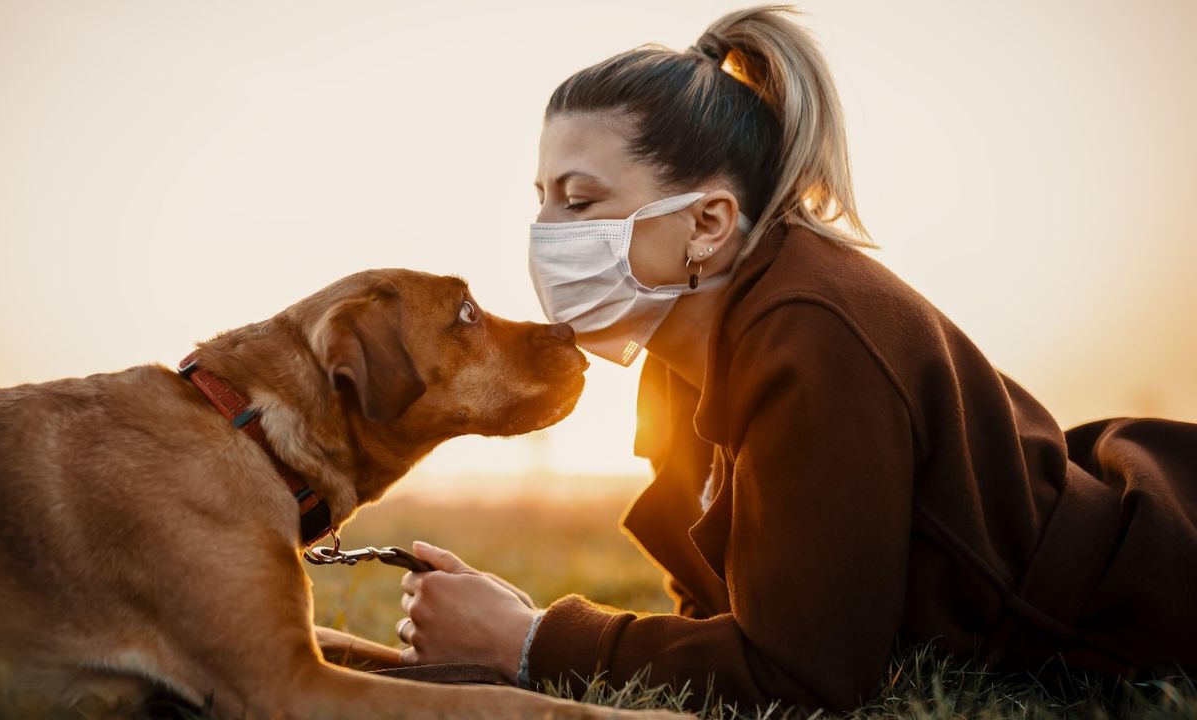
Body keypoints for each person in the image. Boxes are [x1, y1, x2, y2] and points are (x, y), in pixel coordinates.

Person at [391, 4, 1197, 714]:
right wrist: (517, 630)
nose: (546, 232)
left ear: (707, 223)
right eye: (540, 198)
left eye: (579, 200)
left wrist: (532, 641)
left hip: (1145, 601)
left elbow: (804, 678)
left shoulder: (811, 329)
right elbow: (729, 622)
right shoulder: (677, 352)